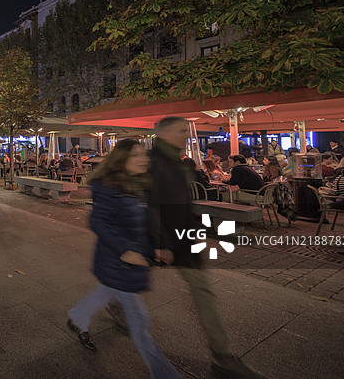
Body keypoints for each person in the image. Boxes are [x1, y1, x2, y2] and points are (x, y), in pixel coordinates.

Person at [148, 116, 266, 379]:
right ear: (165, 134)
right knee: (131, 281)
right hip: (166, 239)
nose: (184, 136)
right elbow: (153, 204)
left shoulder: (173, 160)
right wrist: (161, 244)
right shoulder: (156, 163)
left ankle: (223, 357)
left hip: (182, 238)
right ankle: (114, 302)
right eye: (179, 131)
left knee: (202, 291)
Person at [67, 139, 180, 378]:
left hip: (128, 261)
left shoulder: (138, 184)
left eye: (143, 154)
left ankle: (78, 316)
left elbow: (139, 226)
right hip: (119, 262)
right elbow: (97, 221)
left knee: (106, 291)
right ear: (122, 160)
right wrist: (124, 251)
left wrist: (153, 250)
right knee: (140, 324)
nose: (144, 159)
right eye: (136, 155)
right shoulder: (110, 187)